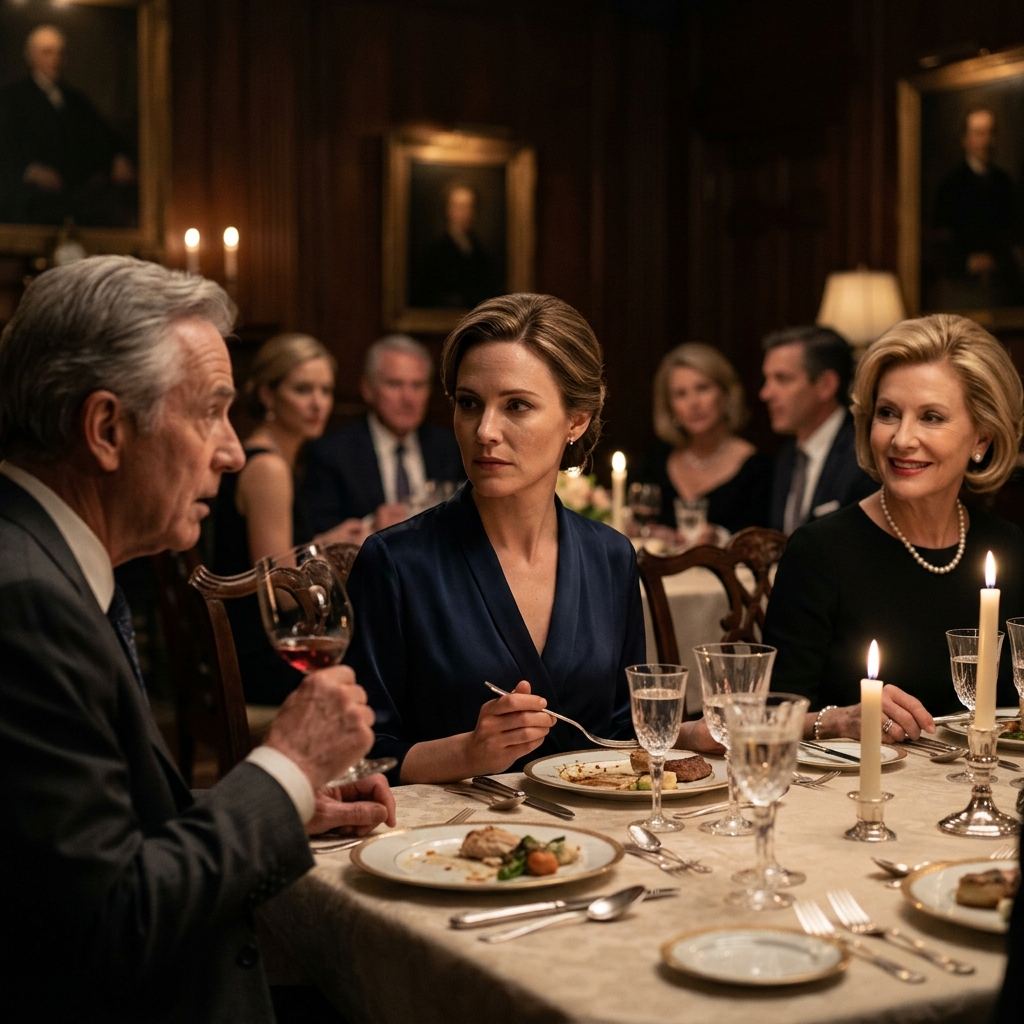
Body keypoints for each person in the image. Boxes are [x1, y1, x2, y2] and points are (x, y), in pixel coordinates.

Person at [0, 256, 395, 1024]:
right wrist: (283, 766)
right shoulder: (28, 601)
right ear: (107, 429)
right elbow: (112, 923)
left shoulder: (46, 564)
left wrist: (282, 804)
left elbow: (84, 844)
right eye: (211, 411)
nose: (233, 451)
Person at [343, 293, 723, 783]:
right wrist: (466, 753)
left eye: (516, 405)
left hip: (596, 824)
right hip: (449, 829)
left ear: (576, 419)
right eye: (469, 404)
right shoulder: (396, 562)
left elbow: (614, 732)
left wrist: (687, 735)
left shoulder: (611, 556)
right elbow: (357, 757)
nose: (485, 430)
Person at [763, 313, 1024, 743]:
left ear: (982, 437)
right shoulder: (820, 552)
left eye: (931, 417)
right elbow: (767, 719)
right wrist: (839, 719)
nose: (902, 439)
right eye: (888, 413)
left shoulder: (1008, 547)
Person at [212, 332, 367, 705]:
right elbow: (282, 595)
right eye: (302, 389)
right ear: (267, 394)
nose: (318, 403)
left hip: (258, 645)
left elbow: (272, 556)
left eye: (326, 391)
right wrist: (339, 557)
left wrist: (325, 541)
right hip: (264, 659)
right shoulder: (268, 468)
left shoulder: (272, 456)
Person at [303, 333, 464, 532]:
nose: (408, 398)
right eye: (395, 384)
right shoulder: (332, 453)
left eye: (418, 385)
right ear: (367, 389)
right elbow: (321, 533)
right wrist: (371, 526)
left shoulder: (449, 446)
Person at [0, 24, 137, 227]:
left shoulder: (75, 100)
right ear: (32, 57)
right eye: (47, 52)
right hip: (29, 200)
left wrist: (117, 156)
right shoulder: (12, 97)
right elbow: (5, 148)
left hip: (73, 196)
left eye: (60, 53)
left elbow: (102, 134)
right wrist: (30, 171)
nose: (55, 60)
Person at [638, 342, 772, 534]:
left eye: (702, 388)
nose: (693, 403)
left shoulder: (758, 470)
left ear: (725, 395)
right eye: (681, 394)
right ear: (670, 407)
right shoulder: (655, 460)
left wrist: (719, 538)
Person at [761, 324, 875, 533]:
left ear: (826, 385)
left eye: (782, 379)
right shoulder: (787, 457)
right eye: (767, 379)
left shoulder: (864, 455)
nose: (766, 393)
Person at [929, 108, 1023, 310]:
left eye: (990, 133)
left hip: (1001, 287)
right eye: (979, 133)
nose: (986, 141)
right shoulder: (950, 185)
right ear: (966, 139)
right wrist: (969, 261)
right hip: (961, 286)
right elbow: (939, 240)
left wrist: (996, 259)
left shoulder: (1005, 183)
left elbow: (1014, 234)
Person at [412, 181, 499, 308]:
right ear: (448, 210)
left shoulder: (480, 251)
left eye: (470, 207)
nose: (467, 213)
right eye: (460, 207)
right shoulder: (435, 251)